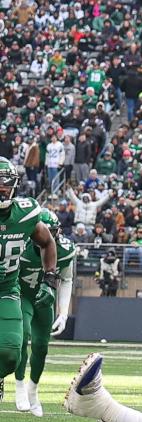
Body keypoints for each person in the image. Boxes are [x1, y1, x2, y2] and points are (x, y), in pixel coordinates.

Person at [0, 158, 58, 402]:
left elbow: (47, 242)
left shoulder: (25, 213)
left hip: (6, 289)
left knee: (12, 353)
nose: (1, 187)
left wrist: (50, 278)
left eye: (5, 182)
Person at [14, 210, 75, 417]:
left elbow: (66, 279)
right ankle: (19, 384)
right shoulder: (20, 244)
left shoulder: (65, 250)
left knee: (41, 346)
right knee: (22, 337)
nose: (48, 236)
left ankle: (33, 389)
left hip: (44, 299)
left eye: (53, 231)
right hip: (21, 295)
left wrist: (63, 313)